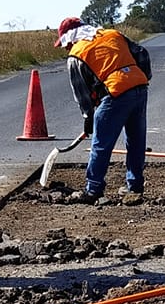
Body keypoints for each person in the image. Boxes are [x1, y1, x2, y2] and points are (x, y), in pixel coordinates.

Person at [56, 17, 151, 199]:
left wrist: (88, 118)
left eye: (66, 44)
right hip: (139, 86)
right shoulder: (112, 34)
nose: (67, 48)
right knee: (136, 140)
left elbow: (82, 94)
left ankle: (93, 189)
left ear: (71, 38)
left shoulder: (76, 54)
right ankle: (135, 186)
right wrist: (139, 78)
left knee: (101, 144)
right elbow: (142, 53)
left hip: (116, 93)